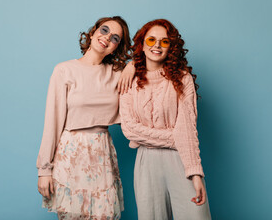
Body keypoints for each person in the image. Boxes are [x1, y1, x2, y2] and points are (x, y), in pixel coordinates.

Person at [36, 16, 135, 220]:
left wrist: (133, 65)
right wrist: (44, 170)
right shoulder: (64, 70)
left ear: (116, 47)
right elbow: (52, 123)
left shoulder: (118, 74)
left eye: (115, 38)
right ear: (93, 32)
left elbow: (155, 65)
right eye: (104, 30)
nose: (107, 37)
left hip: (102, 154)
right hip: (70, 152)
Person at [120, 19, 212, 219]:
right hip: (147, 162)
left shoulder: (182, 78)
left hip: (182, 159)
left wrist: (195, 173)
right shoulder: (129, 80)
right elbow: (129, 130)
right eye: (151, 39)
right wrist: (176, 136)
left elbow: (187, 127)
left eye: (164, 41)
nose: (157, 46)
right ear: (142, 44)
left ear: (171, 47)